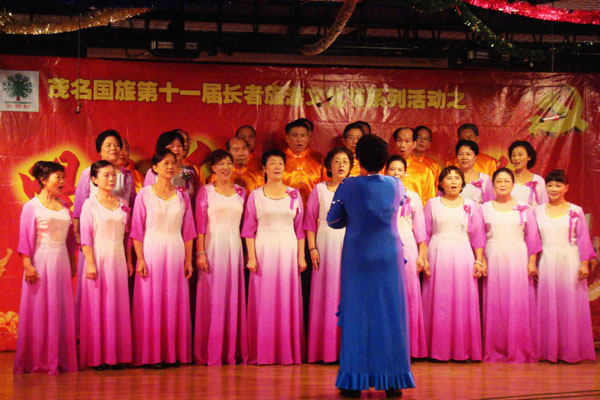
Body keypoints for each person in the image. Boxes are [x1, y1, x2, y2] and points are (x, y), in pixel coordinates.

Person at [327, 134, 415, 398]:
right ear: (385, 159)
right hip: (389, 256)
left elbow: (333, 221)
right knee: (390, 314)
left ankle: (353, 382)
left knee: (358, 315)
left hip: (359, 256)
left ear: (358, 159)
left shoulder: (348, 184)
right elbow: (396, 208)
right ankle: (393, 382)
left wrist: (354, 218)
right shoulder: (396, 184)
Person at [131, 149, 197, 368]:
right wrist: (140, 259)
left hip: (176, 248)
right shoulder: (144, 194)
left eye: (173, 163)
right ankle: (151, 355)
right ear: (155, 168)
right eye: (165, 163)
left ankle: (173, 353)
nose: (170, 167)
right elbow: (137, 230)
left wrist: (188, 259)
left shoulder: (182, 196)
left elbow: (189, 231)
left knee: (174, 299)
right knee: (151, 300)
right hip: (152, 249)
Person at [241, 149, 306, 365]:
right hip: (264, 249)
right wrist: (251, 257)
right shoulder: (256, 195)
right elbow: (248, 229)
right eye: (272, 163)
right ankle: (263, 352)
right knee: (265, 299)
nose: (277, 167)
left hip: (288, 249)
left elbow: (300, 229)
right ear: (264, 168)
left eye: (280, 163)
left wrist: (301, 256)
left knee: (286, 298)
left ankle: (287, 352)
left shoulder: (294, 194)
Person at [15, 161, 77, 374]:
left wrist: (72, 262)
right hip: (40, 260)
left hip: (61, 261)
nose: (62, 182)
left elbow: (70, 240)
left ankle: (58, 358)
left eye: (63, 177)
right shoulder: (31, 207)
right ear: (43, 180)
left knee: (59, 308)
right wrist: (28, 265)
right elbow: (24, 239)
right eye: (57, 177)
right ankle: (36, 360)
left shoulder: (64, 206)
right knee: (39, 309)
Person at [73, 129, 136, 337]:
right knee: (92, 286)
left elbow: (132, 204)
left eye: (117, 145)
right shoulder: (88, 173)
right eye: (108, 145)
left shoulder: (126, 176)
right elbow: (79, 207)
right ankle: (88, 335)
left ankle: (114, 336)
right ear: (99, 149)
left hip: (117, 237)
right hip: (94, 239)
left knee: (115, 290)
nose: (113, 149)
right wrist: (79, 236)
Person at [422, 166, 486, 361]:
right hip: (437, 253)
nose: (453, 182)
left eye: (457, 178)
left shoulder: (471, 205)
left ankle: (463, 349)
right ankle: (436, 350)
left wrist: (479, 260)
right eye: (448, 178)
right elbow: (425, 233)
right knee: (438, 300)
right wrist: (423, 257)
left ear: (462, 182)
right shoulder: (432, 204)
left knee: (462, 300)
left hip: (462, 255)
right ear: (441, 183)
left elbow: (478, 236)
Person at [535, 169, 596, 363]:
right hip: (547, 259)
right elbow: (533, 240)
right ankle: (549, 351)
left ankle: (571, 351)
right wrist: (533, 262)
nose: (553, 189)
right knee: (548, 304)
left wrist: (584, 263)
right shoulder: (537, 211)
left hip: (570, 259)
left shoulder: (575, 210)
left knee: (570, 305)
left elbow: (583, 239)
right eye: (550, 185)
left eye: (558, 185)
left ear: (566, 187)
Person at [194, 150, 248, 366]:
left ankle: (230, 351)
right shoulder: (206, 191)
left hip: (234, 247)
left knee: (232, 296)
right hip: (212, 247)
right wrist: (200, 252)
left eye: (228, 163)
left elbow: (246, 225)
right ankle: (210, 351)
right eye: (221, 164)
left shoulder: (242, 192)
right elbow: (200, 225)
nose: (226, 167)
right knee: (212, 297)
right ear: (213, 168)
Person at [481, 168, 541, 363]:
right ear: (493, 185)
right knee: (495, 301)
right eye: (499, 181)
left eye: (507, 181)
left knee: (518, 301)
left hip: (518, 255)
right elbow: (479, 236)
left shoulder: (524, 207)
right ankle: (495, 348)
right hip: (493, 256)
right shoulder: (484, 208)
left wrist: (532, 262)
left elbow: (532, 236)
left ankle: (519, 347)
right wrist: (482, 260)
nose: (503, 184)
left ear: (513, 185)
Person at [79, 160, 133, 370]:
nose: (111, 179)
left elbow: (127, 236)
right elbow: (85, 237)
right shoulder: (89, 204)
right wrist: (90, 263)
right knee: (98, 306)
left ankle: (117, 355)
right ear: (94, 179)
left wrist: (129, 260)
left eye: (113, 175)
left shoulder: (122, 202)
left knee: (117, 305)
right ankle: (98, 357)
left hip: (118, 257)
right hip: (98, 256)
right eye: (105, 176)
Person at [304, 147, 352, 363]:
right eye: (337, 161)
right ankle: (324, 349)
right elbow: (309, 222)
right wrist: (312, 248)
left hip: (350, 242)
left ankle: (348, 350)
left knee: (348, 291)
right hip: (325, 243)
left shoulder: (354, 188)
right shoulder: (320, 189)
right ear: (329, 166)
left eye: (345, 161)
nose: (341, 165)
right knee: (327, 291)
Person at [386, 155, 428, 359]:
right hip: (385, 244)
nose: (396, 173)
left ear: (405, 172)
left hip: (408, 244)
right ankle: (386, 344)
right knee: (387, 292)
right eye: (392, 169)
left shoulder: (413, 196)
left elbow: (420, 228)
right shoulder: (380, 193)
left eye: (399, 169)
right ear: (385, 171)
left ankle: (410, 346)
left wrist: (422, 254)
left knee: (409, 291)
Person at [144, 129, 200, 201]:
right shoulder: (153, 172)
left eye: (179, 146)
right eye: (172, 146)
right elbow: (147, 198)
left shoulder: (189, 172)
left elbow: (196, 197)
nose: (176, 149)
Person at [282, 119, 326, 204]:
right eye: (295, 135)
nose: (299, 140)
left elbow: (326, 186)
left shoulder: (318, 158)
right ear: (287, 138)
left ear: (308, 138)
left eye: (303, 135)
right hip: (284, 207)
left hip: (313, 206)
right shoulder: (279, 158)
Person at [393, 126, 436, 205]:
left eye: (407, 141)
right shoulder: (386, 167)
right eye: (399, 140)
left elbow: (430, 199)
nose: (402, 145)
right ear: (395, 143)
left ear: (414, 144)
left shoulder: (425, 170)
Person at [509, 140, 548, 207]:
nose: (516, 158)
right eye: (513, 155)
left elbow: (544, 206)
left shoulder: (538, 180)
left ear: (529, 157)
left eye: (520, 155)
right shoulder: (506, 179)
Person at [455, 139, 495, 204]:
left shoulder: (484, 179)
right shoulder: (449, 177)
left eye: (468, 154)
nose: (464, 157)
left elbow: (490, 204)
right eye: (461, 154)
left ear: (475, 157)